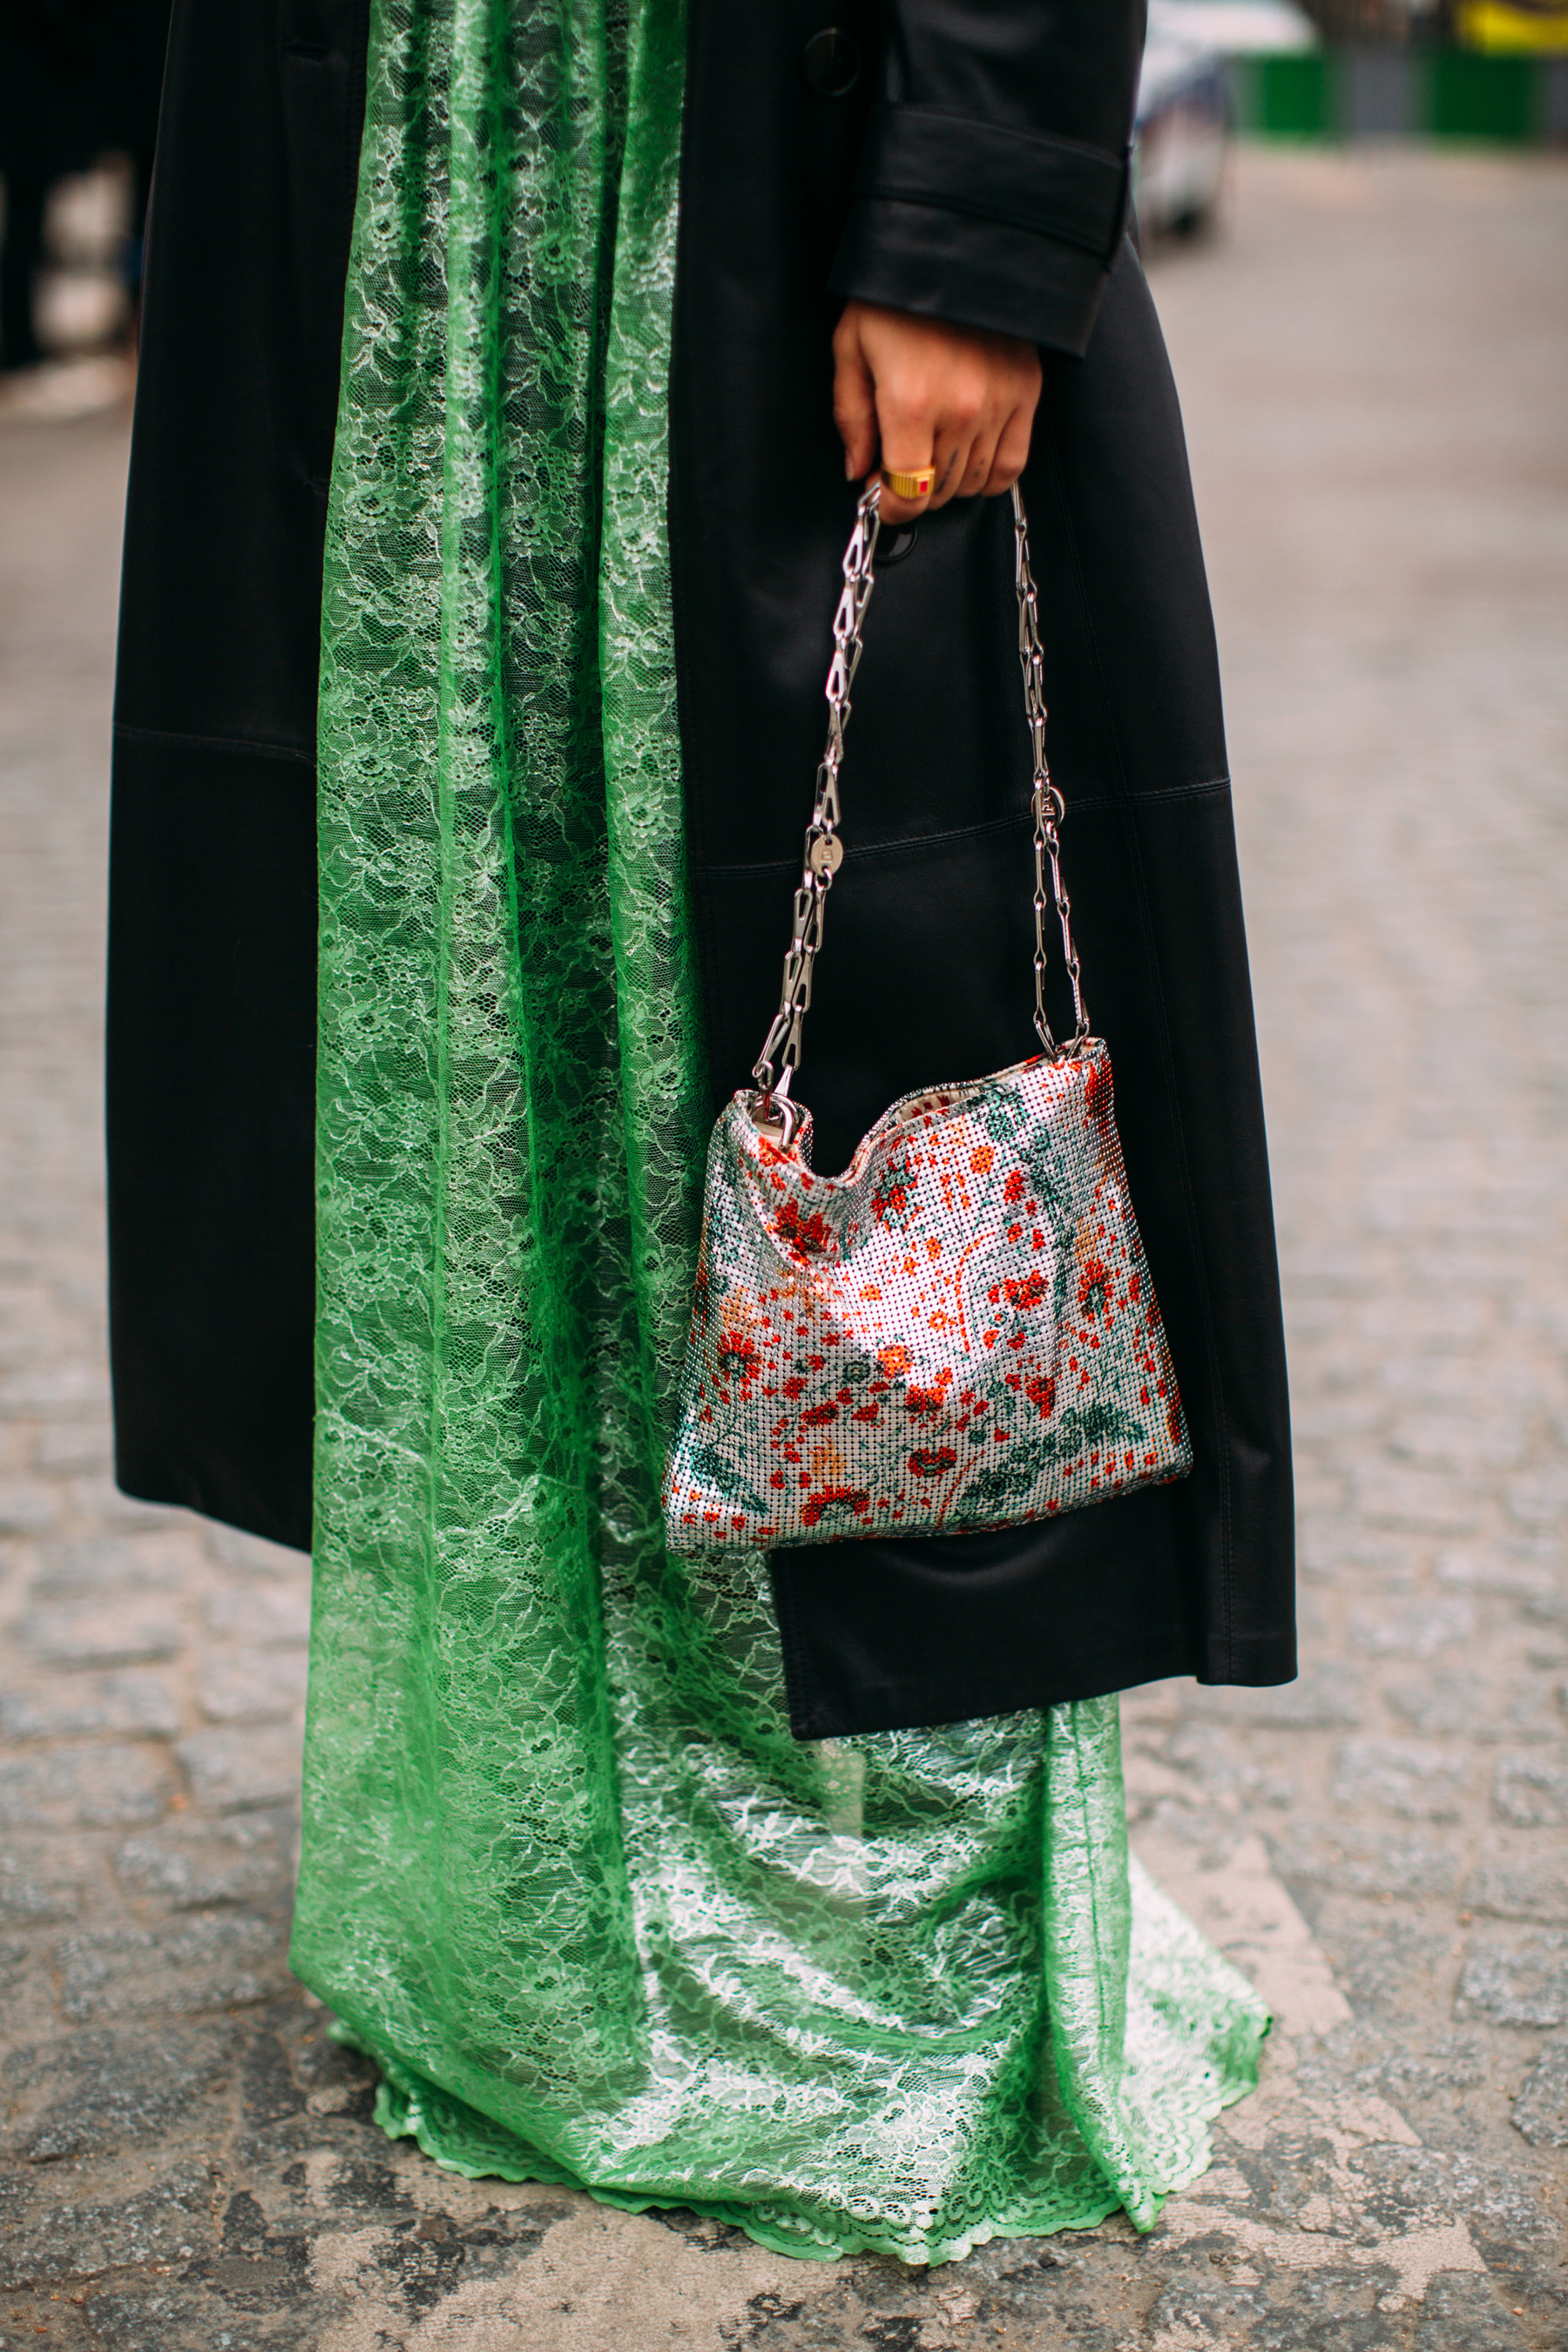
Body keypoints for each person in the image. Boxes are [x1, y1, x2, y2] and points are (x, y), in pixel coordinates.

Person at [107, 0, 1294, 2264]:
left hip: (747, 122)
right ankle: (531, 1866)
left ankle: (882, 1905)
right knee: (475, 1022)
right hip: (414, 168)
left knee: (844, 995)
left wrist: (967, 208)